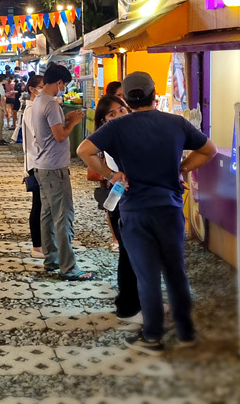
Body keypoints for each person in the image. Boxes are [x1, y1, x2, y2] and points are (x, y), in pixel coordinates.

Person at [78, 72, 217, 354]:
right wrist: (183, 167)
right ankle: (186, 332)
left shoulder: (117, 128)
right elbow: (209, 150)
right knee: (176, 273)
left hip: (136, 211)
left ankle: (152, 337)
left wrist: (112, 174)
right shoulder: (175, 123)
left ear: (127, 100)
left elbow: (84, 149)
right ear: (155, 96)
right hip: (170, 207)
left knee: (148, 276)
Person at [28, 63, 91, 281]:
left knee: (47, 214)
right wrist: (73, 121)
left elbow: (50, 129)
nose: (63, 88)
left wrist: (66, 119)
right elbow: (60, 136)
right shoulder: (52, 104)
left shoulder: (38, 100)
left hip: (42, 165)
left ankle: (52, 259)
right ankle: (68, 267)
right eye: (64, 84)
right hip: (55, 167)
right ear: (59, 82)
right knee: (63, 216)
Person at [90, 94, 141, 323]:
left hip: (133, 200)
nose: (119, 115)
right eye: (112, 114)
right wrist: (111, 175)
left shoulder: (129, 133)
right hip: (124, 200)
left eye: (122, 110)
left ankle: (134, 302)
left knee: (134, 253)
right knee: (129, 253)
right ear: (103, 122)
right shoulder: (111, 138)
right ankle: (128, 306)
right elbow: (84, 151)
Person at [21, 75, 45, 259]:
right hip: (36, 162)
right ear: (32, 89)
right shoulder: (31, 110)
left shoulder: (36, 108)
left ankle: (42, 243)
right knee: (38, 204)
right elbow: (38, 137)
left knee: (43, 204)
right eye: (42, 87)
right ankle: (37, 246)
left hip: (39, 160)